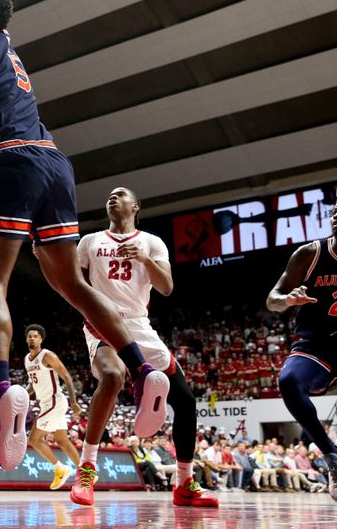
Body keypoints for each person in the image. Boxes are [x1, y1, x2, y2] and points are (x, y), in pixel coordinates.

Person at [0, 0, 167, 471]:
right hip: (55, 165)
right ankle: (144, 369)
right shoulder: (11, 51)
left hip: (10, 160)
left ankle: (2, 390)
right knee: (73, 285)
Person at [70, 187, 216, 507]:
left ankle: (184, 483)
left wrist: (145, 259)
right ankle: (86, 469)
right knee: (111, 377)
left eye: (120, 195)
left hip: (139, 325)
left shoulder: (151, 241)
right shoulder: (89, 241)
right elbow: (74, 286)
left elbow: (166, 287)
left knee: (187, 401)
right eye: (108, 195)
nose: (111, 197)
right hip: (103, 323)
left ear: (135, 206)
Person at [267, 196, 337, 502]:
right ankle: (332, 454)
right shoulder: (311, 253)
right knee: (289, 381)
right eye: (333, 212)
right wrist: (288, 299)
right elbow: (272, 298)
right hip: (316, 343)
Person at [22, 324, 81, 490]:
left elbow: (67, 377)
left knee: (33, 439)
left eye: (35, 336)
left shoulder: (47, 355)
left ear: (41, 339)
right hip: (46, 403)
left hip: (55, 401)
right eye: (30, 336)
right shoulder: (27, 359)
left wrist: (74, 402)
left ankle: (59, 468)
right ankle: (86, 472)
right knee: (62, 440)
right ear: (26, 339)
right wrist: (23, 395)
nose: (32, 338)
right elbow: (34, 384)